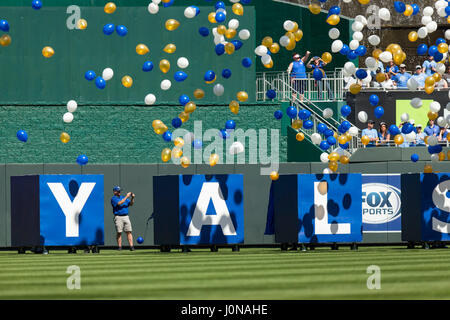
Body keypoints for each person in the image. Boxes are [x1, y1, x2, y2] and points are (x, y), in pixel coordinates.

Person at [111, 186, 135, 251]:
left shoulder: (122, 197)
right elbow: (119, 203)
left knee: (129, 231)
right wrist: (127, 196)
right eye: (118, 191)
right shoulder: (113, 198)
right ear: (114, 192)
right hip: (118, 216)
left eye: (119, 191)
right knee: (119, 232)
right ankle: (119, 247)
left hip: (126, 216)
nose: (119, 192)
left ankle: (131, 246)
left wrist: (132, 198)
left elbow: (131, 204)